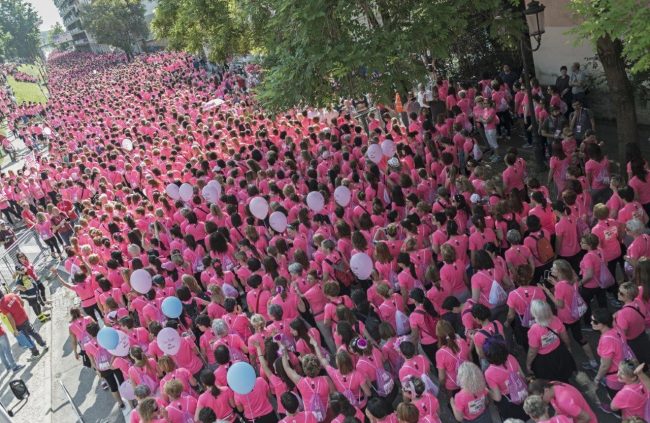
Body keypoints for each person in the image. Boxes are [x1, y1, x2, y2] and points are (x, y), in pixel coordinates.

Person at [526, 300, 576, 382]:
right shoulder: (555, 319)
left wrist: (528, 365)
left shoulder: (534, 329)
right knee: (563, 375)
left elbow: (532, 351)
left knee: (550, 381)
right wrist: (568, 347)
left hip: (545, 360)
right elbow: (565, 337)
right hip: (560, 353)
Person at [0, 289, 48, 360]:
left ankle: (35, 354)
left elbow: (10, 318)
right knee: (33, 332)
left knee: (27, 339)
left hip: (19, 323)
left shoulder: (1, 305)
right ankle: (44, 344)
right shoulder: (11, 294)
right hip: (25, 317)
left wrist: (15, 330)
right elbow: (22, 302)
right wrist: (20, 312)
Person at [528, 379, 598, 423]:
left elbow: (586, 417)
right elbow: (558, 408)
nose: (540, 402)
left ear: (546, 390)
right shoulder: (552, 384)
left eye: (541, 398)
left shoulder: (564, 402)